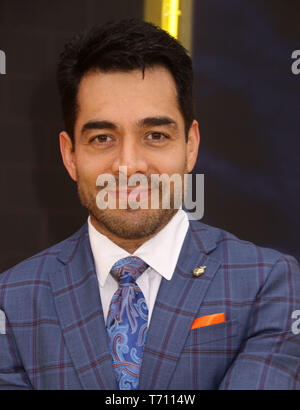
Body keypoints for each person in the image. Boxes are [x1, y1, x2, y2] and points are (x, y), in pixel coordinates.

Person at [0, 18, 300, 391]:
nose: (129, 166)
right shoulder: (11, 303)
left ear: (190, 146)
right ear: (69, 154)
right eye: (102, 138)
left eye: (155, 135)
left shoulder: (269, 283)